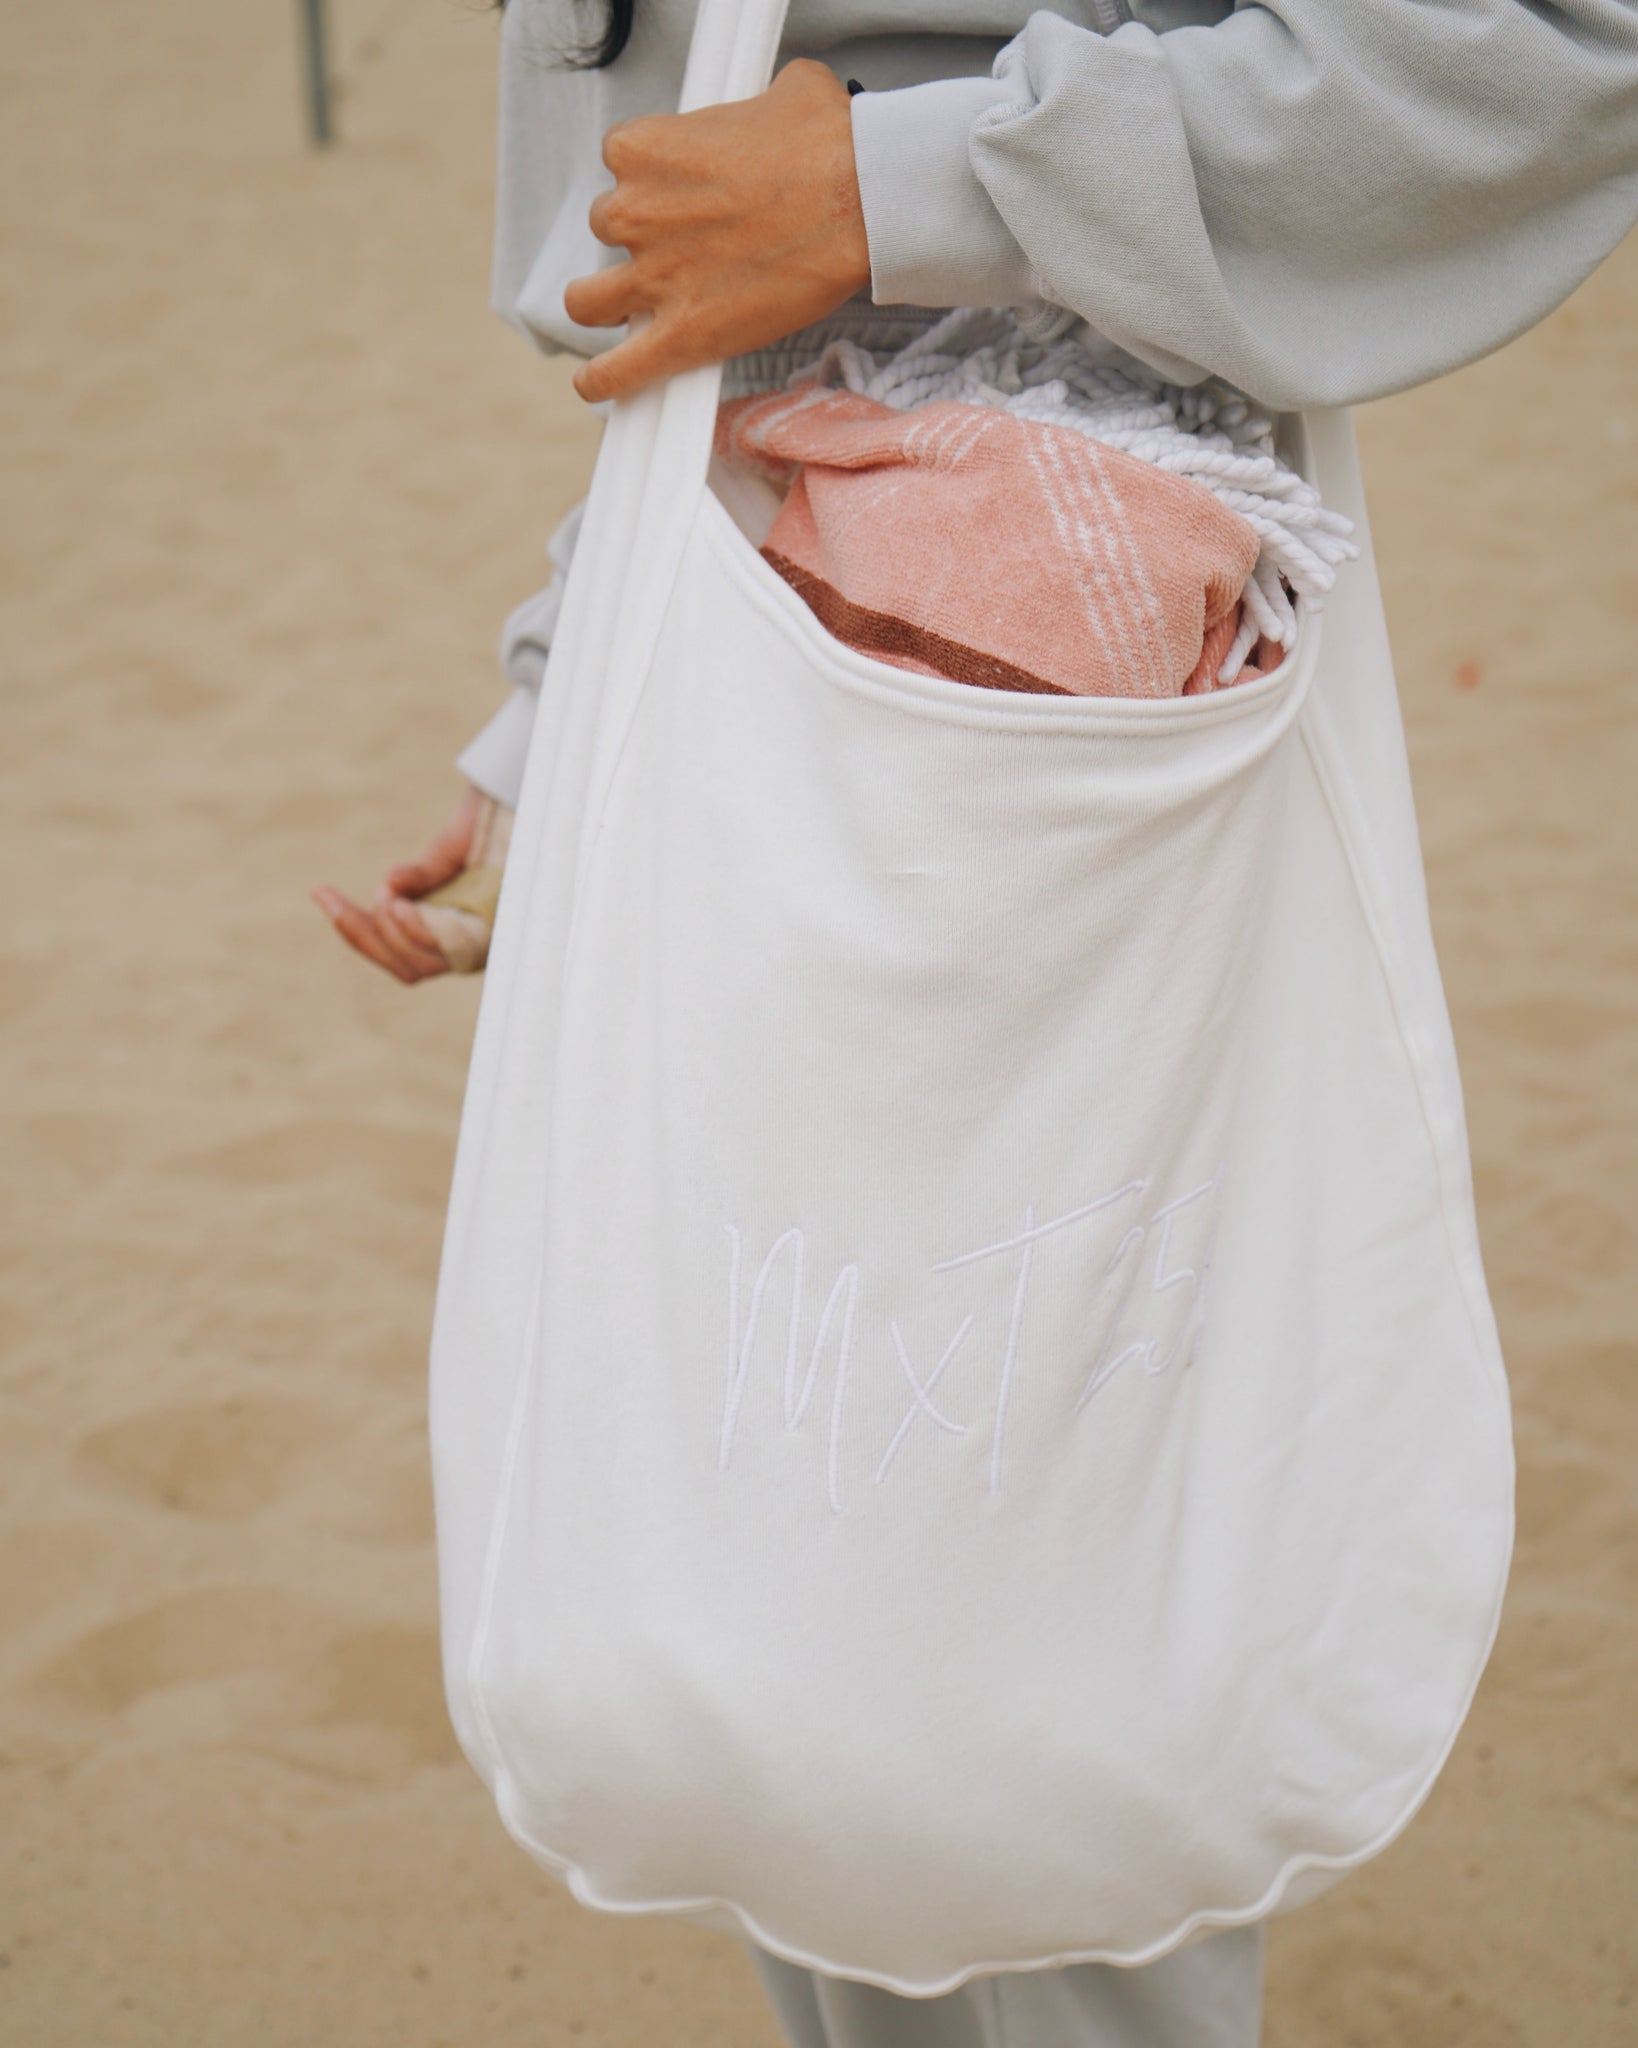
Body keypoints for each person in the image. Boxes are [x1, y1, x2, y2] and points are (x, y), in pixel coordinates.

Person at [317, 0, 1638, 2036]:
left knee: (1042, 1695)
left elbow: (1550, 42)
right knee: (807, 1630)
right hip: (773, 569)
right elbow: (737, 268)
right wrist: (573, 685)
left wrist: (901, 183)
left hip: (1045, 616)